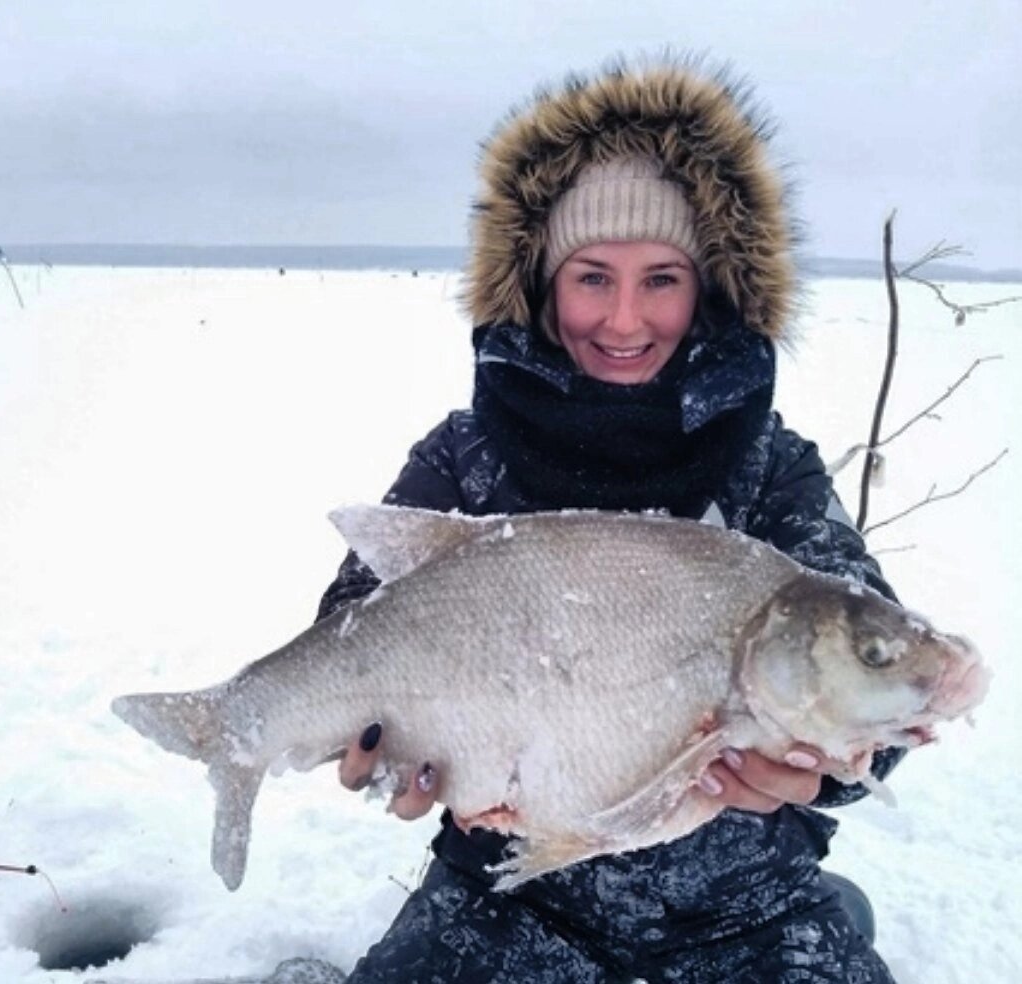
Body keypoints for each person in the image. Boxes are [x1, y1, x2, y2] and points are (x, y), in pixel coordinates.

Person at [317, 58, 903, 983]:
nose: (625, 320)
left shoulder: (771, 466)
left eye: (662, 279)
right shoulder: (465, 457)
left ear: (707, 289)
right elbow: (353, 626)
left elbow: (875, 657)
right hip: (506, 893)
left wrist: (821, 773)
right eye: (593, 277)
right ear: (544, 287)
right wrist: (383, 746)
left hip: (743, 906)